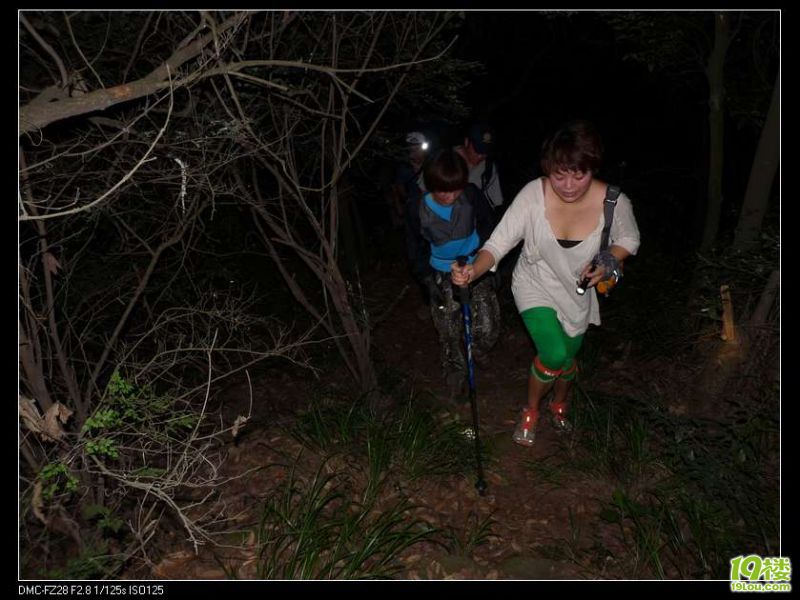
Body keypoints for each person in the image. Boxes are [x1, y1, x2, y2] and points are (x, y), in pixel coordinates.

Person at [451, 119, 640, 445]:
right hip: (533, 284)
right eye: (558, 175)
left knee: (567, 360)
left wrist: (610, 259)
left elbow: (630, 238)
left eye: (578, 175)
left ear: (592, 168)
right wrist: (473, 271)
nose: (568, 185)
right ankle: (531, 410)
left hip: (577, 294)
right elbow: (498, 244)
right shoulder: (533, 195)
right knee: (553, 354)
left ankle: (559, 403)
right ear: (548, 169)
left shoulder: (613, 202)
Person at [411, 148, 500, 392]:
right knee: (448, 327)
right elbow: (414, 246)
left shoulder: (471, 195)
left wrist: (488, 263)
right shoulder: (418, 207)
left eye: (455, 189)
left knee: (489, 324)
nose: (450, 196)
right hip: (441, 271)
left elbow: (488, 225)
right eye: (443, 191)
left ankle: (477, 349)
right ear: (431, 186)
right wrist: (426, 280)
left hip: (474, 266)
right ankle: (454, 369)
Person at [455, 122, 505, 214]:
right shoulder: (446, 160)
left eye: (485, 152)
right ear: (466, 142)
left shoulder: (489, 167)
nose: (481, 156)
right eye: (477, 150)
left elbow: (495, 204)